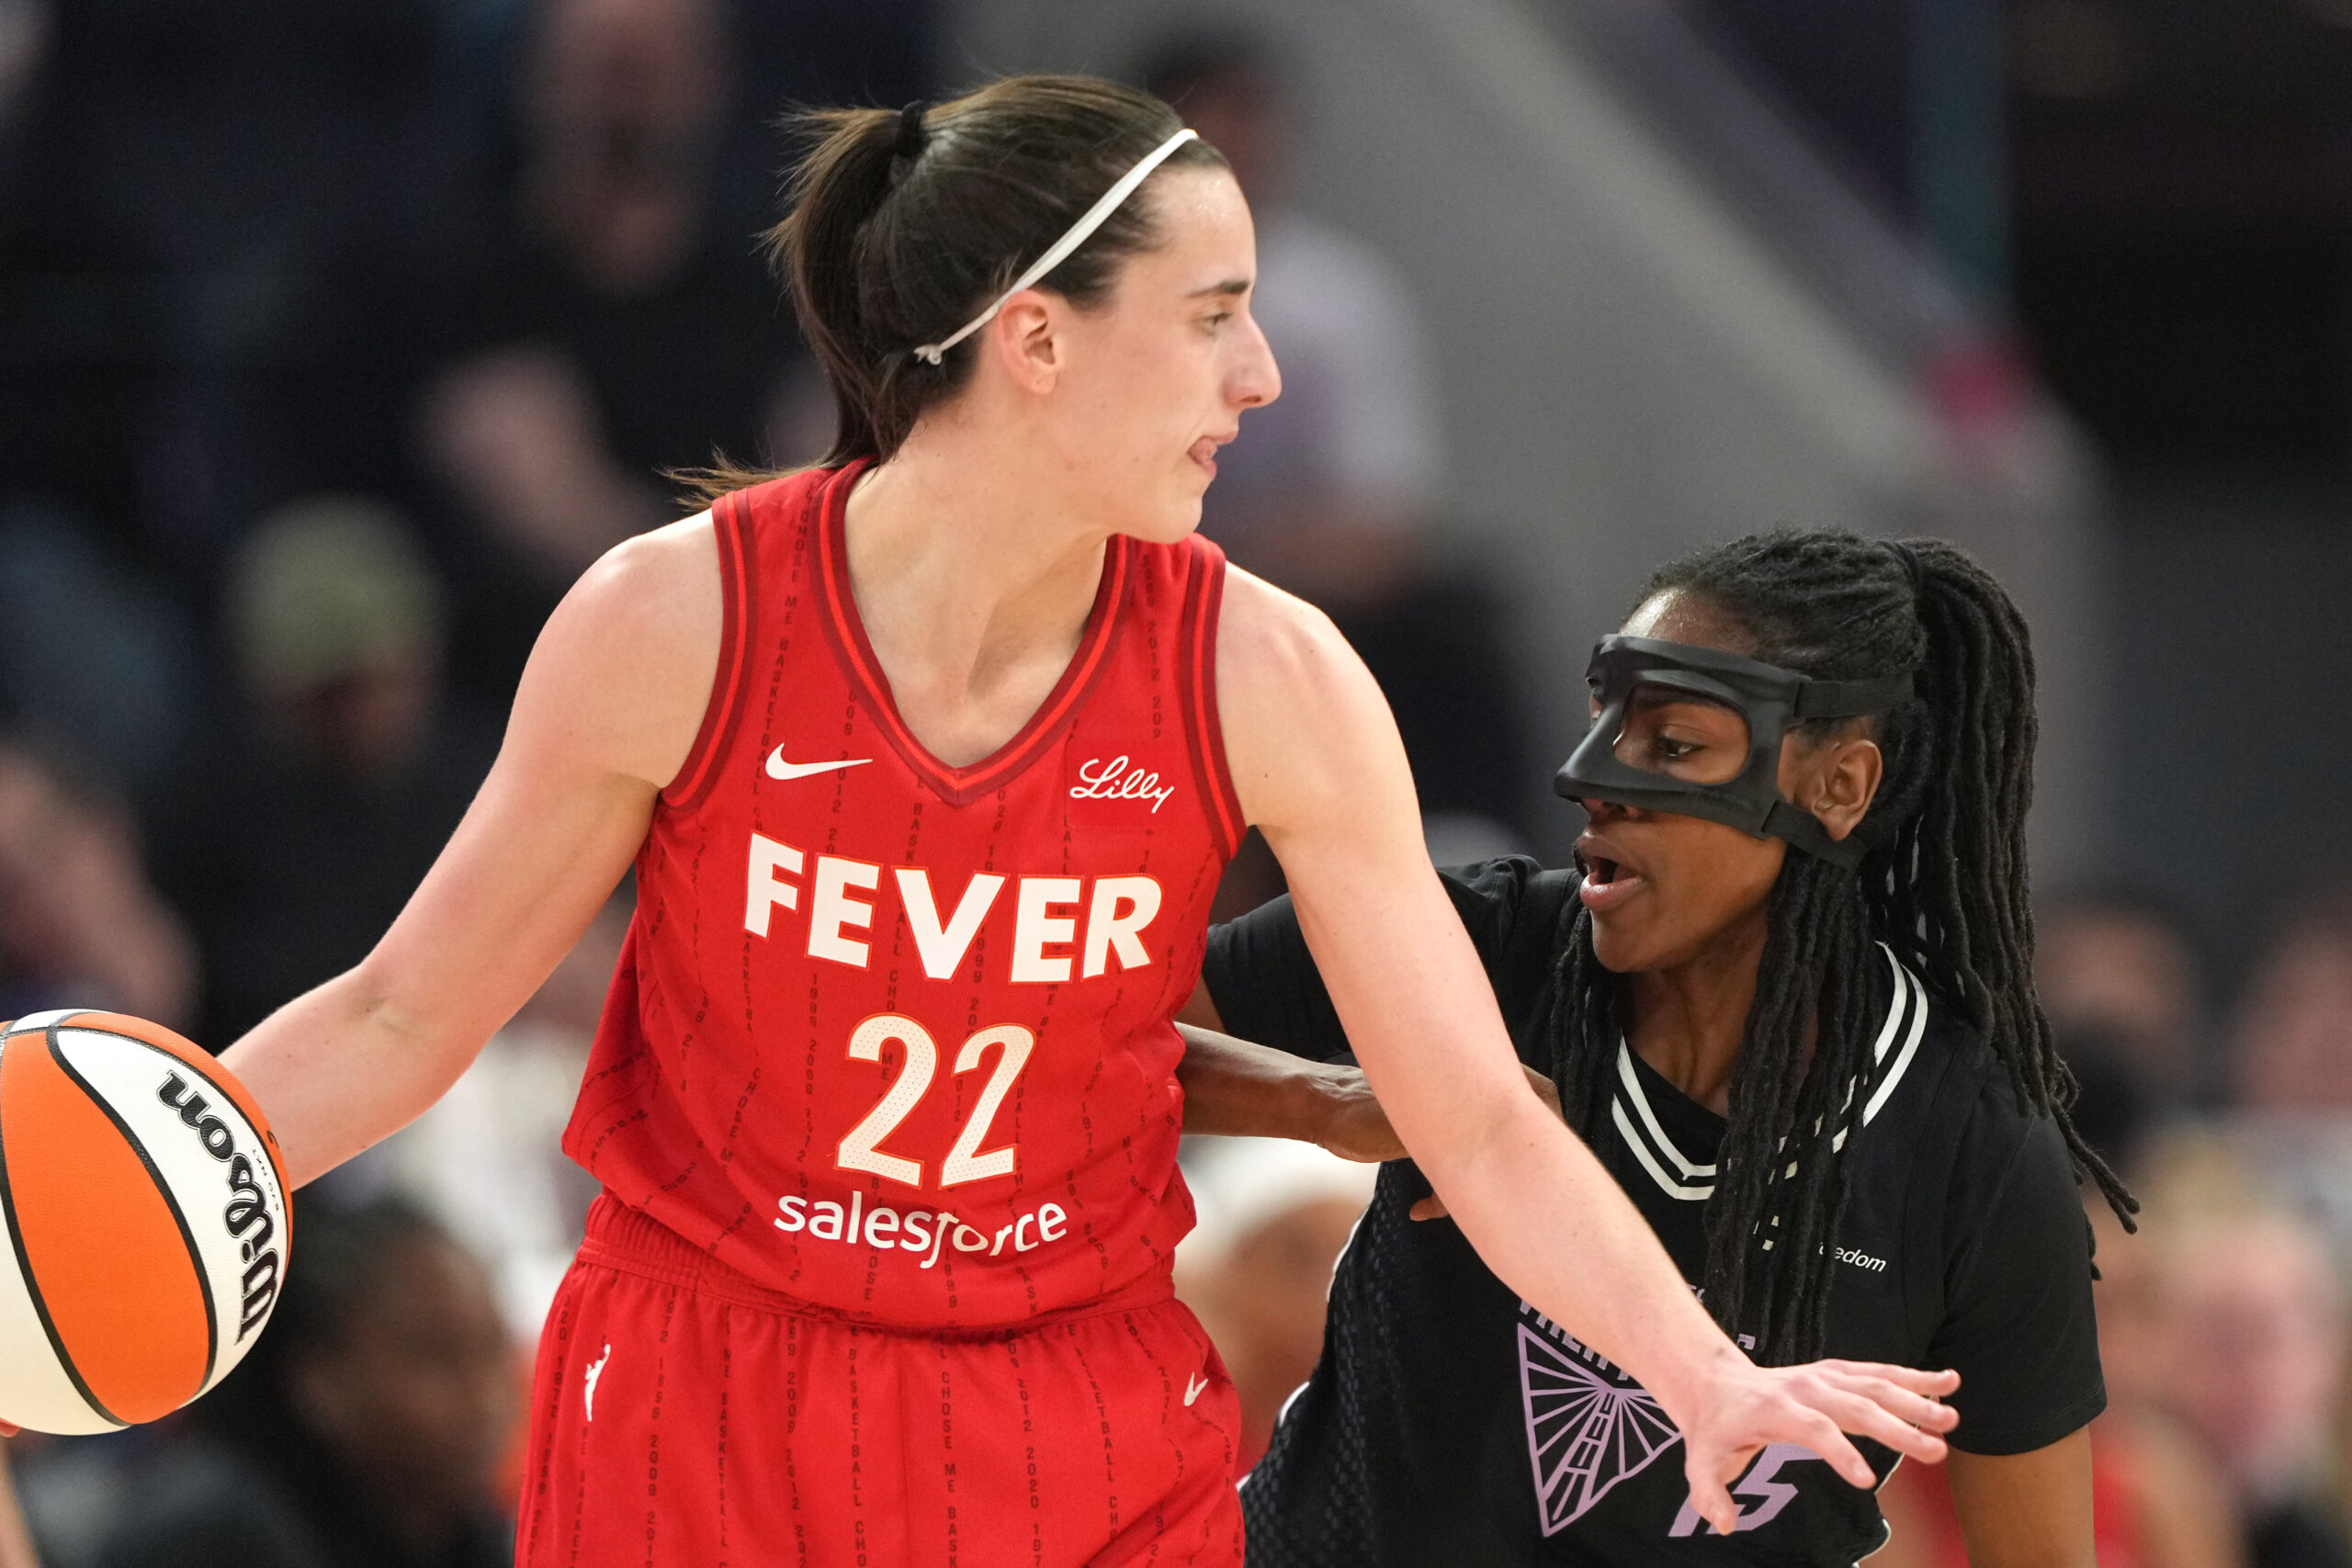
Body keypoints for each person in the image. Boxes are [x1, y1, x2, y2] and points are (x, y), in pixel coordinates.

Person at [219, 78, 1955, 1567]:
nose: (1263, 374)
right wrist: (119, 1163)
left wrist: (1706, 1370)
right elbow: (394, 1016)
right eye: (1212, 314)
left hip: (1066, 1410)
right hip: (703, 1392)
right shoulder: (676, 621)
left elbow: (1479, 1123)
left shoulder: (1267, 673)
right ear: (1035, 338)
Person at [1178, 530, 2129, 1564]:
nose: (1590, 780)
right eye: (1603, 727)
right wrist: (1326, 1100)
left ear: (1838, 786)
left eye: (1672, 747)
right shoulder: (1472, 948)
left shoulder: (1972, 1152)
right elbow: (1053, 1037)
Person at [91, 1197, 516, 1568]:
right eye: (437, 1356)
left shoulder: (468, 1532)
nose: (485, 1398)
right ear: (321, 1378)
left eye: (493, 1347)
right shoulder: (206, 1536)